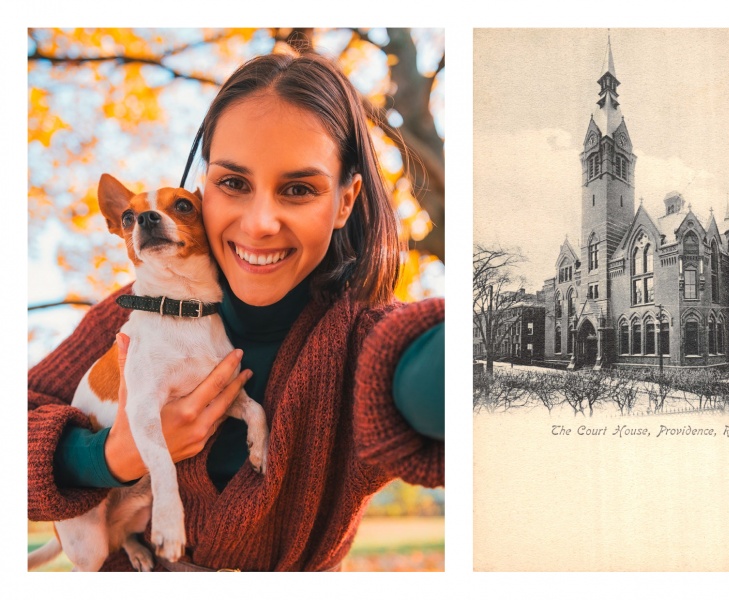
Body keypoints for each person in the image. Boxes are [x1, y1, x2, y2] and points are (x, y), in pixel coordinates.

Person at [28, 50, 445, 572]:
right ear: (204, 191)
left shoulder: (363, 342)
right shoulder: (127, 314)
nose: (259, 223)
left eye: (298, 189)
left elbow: (434, 376)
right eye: (234, 183)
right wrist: (107, 457)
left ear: (344, 201)